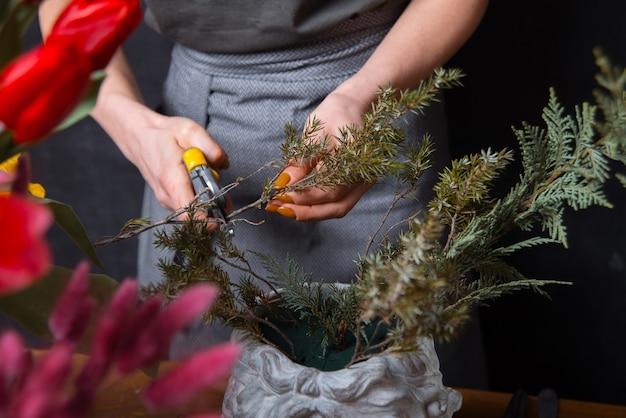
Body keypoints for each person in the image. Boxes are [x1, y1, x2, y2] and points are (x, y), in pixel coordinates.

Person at [40, 0, 489, 387]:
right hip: (192, 134)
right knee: (203, 388)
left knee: (401, 382)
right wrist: (134, 129)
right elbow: (64, 11)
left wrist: (363, 98)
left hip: (372, 116)